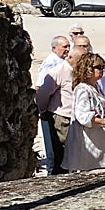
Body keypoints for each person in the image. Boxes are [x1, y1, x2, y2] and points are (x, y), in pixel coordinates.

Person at [36, 35, 75, 175]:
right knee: (56, 153)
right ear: (54, 48)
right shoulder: (51, 64)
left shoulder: (63, 62)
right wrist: (44, 109)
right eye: (64, 46)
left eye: (68, 46)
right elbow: (41, 90)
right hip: (54, 113)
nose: (67, 49)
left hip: (61, 113)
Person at [65, 52, 105, 171]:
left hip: (99, 138)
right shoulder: (82, 89)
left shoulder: (97, 87)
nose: (101, 71)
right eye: (98, 67)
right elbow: (83, 116)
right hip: (87, 141)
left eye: (103, 67)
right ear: (88, 68)